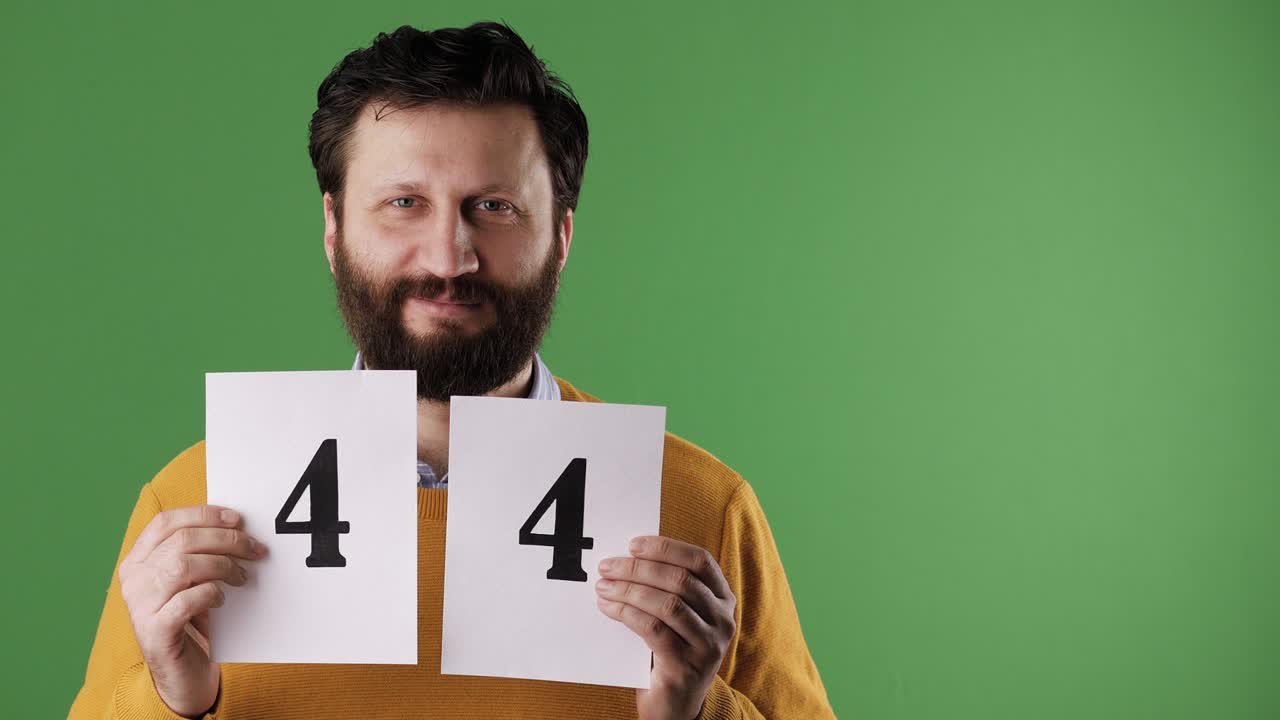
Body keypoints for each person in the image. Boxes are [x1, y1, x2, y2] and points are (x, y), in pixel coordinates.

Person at [68, 21, 835, 719]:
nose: (448, 258)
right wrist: (172, 702)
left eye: (494, 207)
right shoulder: (192, 508)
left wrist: (694, 714)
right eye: (404, 202)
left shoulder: (702, 511)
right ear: (333, 228)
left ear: (561, 239)